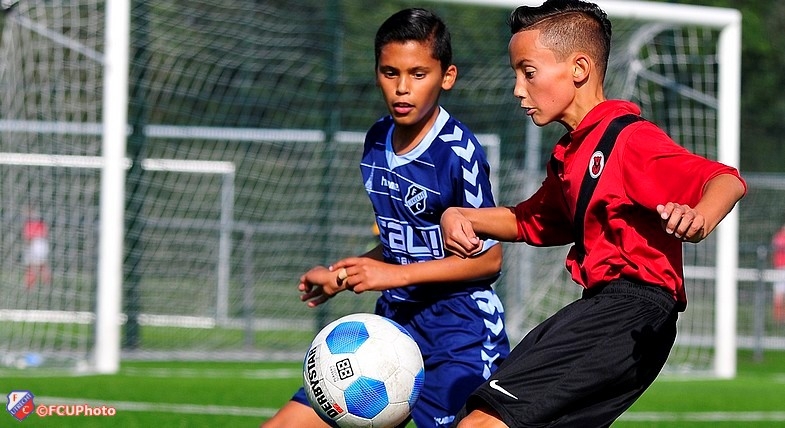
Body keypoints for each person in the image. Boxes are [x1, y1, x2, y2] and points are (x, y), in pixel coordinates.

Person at [439, 1, 747, 427]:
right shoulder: (571, 152)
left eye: (528, 72)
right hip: (607, 311)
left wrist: (701, 218)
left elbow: (725, 180)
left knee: (485, 421)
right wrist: (462, 216)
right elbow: (530, 221)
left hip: (627, 311)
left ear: (579, 68)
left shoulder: (627, 140)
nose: (518, 89)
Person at [262, 8, 510, 428]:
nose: (402, 87)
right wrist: (341, 276)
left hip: (459, 333)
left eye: (418, 74)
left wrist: (393, 276)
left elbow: (489, 259)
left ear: (447, 77)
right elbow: (404, 243)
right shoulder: (377, 140)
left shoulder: (457, 153)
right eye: (390, 72)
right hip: (390, 327)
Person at [23, 209, 50, 290]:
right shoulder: (29, 223)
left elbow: (43, 233)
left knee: (39, 266)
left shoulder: (39, 222)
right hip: (33, 245)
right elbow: (27, 236)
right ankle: (30, 285)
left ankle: (45, 284)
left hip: (38, 244)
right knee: (34, 266)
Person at [771, 223, 785, 323]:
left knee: (779, 292)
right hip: (780, 268)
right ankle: (778, 316)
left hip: (779, 268)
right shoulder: (779, 238)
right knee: (779, 293)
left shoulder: (777, 238)